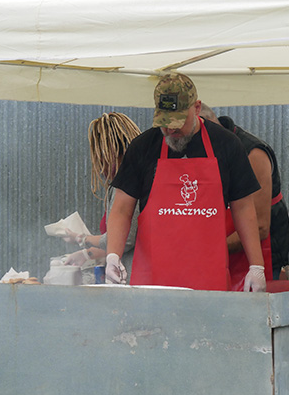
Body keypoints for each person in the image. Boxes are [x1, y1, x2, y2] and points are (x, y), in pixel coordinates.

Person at [105, 73, 266, 292]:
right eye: (165, 123)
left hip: (209, 282)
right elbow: (122, 209)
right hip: (153, 284)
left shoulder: (227, 145)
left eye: (178, 122)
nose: (171, 130)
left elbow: (244, 207)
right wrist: (112, 255)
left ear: (197, 108)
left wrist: (257, 266)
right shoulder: (143, 147)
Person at [199, 104, 289, 286]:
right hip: (218, 256)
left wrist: (207, 250)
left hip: (259, 258)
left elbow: (259, 227)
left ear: (206, 125)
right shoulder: (203, 149)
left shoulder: (253, 153)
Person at [61, 113, 142, 279]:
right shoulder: (132, 178)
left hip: (134, 277)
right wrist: (87, 253)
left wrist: (82, 239)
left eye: (102, 158)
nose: (100, 168)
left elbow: (124, 239)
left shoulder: (129, 184)